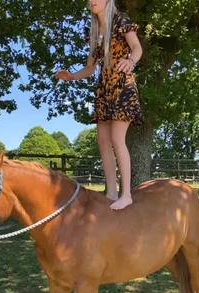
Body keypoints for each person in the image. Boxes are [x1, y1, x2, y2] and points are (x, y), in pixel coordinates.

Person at [56, 0, 143, 210]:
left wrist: (131, 61)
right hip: (104, 90)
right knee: (103, 140)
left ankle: (127, 194)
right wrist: (71, 76)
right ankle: (111, 192)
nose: (92, 1)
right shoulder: (94, 33)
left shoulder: (121, 20)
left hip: (123, 85)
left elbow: (137, 48)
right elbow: (89, 69)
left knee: (116, 138)